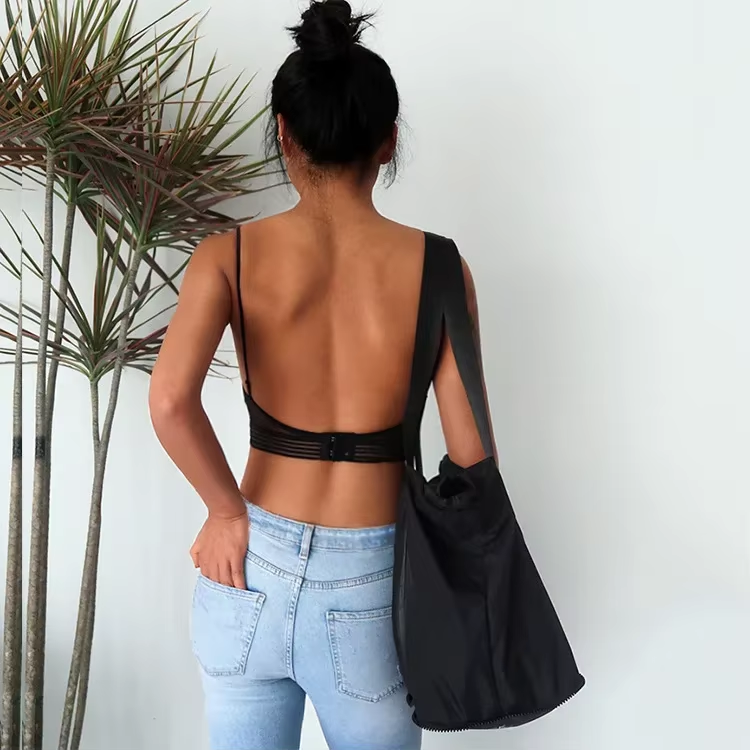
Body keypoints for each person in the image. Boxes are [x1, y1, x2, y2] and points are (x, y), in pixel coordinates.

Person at [149, 2, 495, 748]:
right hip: (372, 578)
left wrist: (225, 513)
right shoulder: (441, 268)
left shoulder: (227, 257)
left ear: (283, 133)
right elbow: (471, 457)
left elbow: (172, 400)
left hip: (246, 565)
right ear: (389, 140)